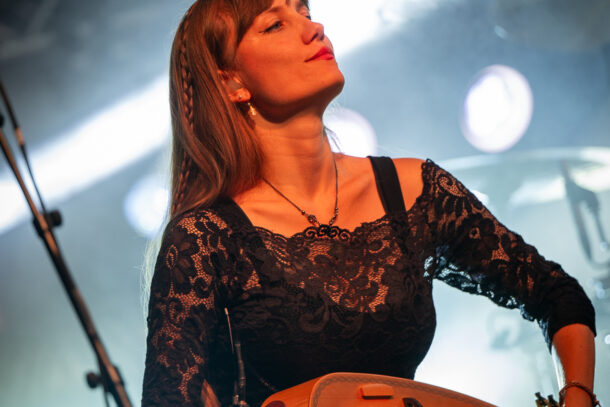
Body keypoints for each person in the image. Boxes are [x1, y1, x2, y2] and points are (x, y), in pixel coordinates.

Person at [141, 0, 598, 406]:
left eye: (305, 11)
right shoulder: (205, 238)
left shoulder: (414, 190)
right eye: (275, 24)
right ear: (231, 82)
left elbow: (558, 294)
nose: (313, 28)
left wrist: (577, 395)